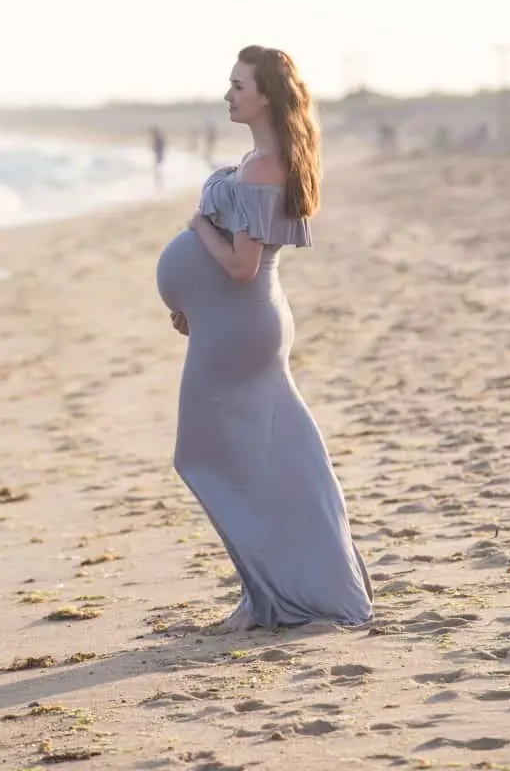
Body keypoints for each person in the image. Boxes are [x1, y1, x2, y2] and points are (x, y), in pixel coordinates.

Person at [156, 45, 373, 632]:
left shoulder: (260, 167)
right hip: (238, 325)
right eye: (228, 84)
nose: (229, 94)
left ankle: (273, 593)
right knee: (278, 455)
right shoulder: (263, 158)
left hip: (244, 325)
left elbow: (240, 267)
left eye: (238, 85)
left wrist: (197, 224)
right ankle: (268, 594)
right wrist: (196, 306)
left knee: (206, 457)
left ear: (267, 96)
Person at [149, 125, 166, 190]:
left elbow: (156, 148)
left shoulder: (158, 139)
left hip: (159, 156)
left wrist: (153, 147)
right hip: (159, 156)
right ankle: (159, 184)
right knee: (158, 170)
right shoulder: (160, 139)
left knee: (158, 171)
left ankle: (159, 184)